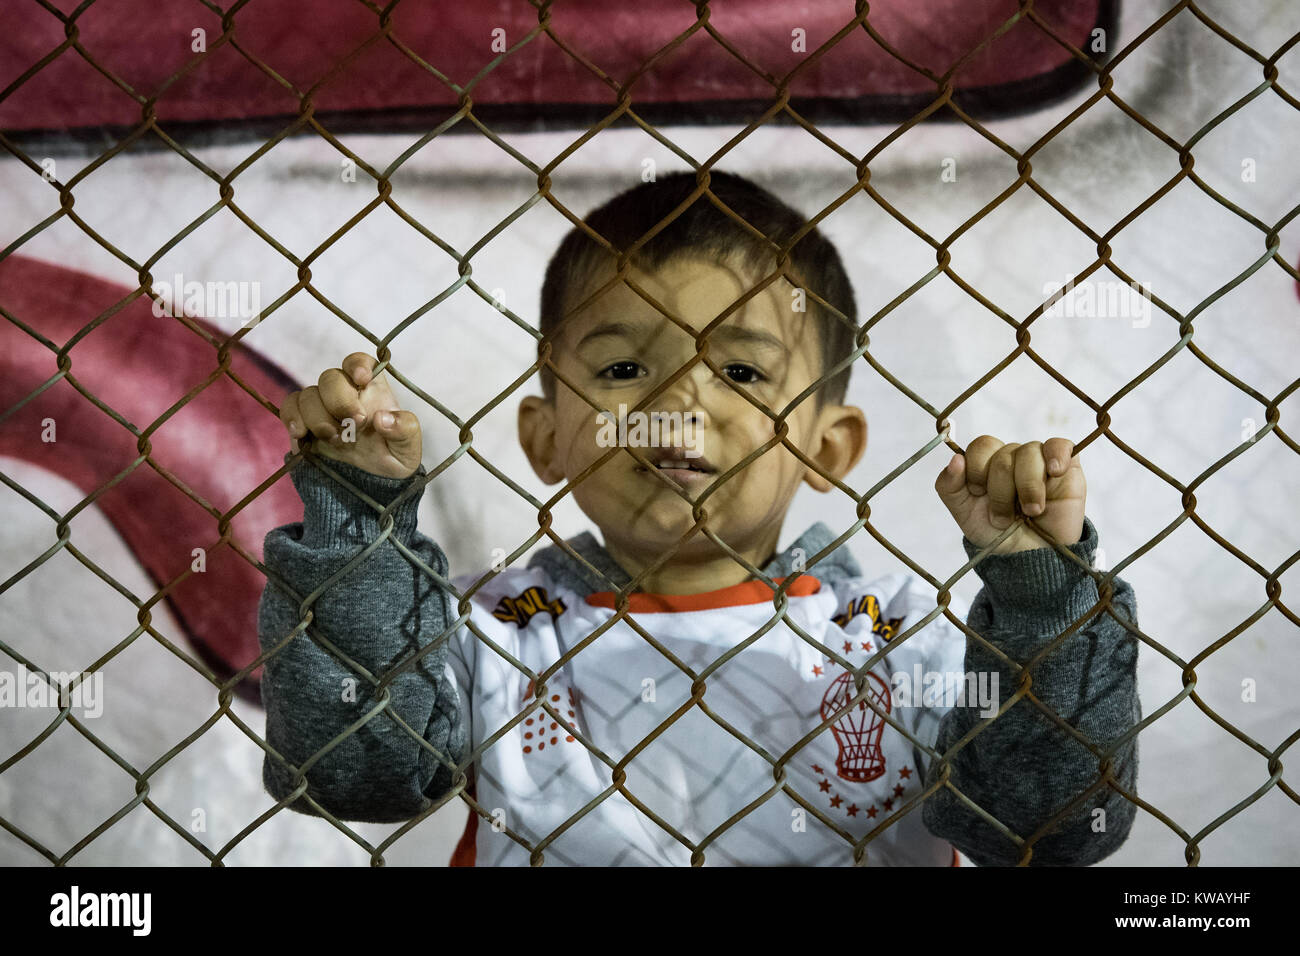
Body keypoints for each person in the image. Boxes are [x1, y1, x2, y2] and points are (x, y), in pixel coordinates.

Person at [257, 170, 1140, 865]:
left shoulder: (905, 639)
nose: (679, 403)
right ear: (546, 437)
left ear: (827, 449)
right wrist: (359, 531)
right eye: (621, 371)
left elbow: (1049, 831)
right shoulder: (488, 630)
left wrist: (1037, 602)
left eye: (744, 374)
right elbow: (349, 771)